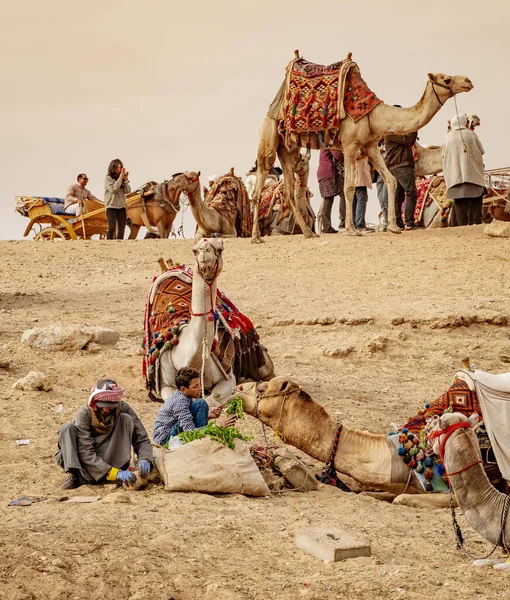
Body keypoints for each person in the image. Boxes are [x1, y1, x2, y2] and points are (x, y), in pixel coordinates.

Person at [55, 378, 153, 490]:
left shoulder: (123, 409)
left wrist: (145, 458)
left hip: (112, 456)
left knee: (126, 419)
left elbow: (142, 438)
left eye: (111, 406)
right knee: (67, 428)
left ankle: (112, 472)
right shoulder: (84, 414)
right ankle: (75, 476)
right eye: (103, 405)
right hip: (86, 462)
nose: (106, 409)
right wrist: (112, 472)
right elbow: (85, 451)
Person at [153, 367, 236, 446]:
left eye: (199, 385)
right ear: (183, 389)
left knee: (201, 404)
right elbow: (190, 431)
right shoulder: (180, 402)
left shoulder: (184, 396)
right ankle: (202, 442)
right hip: (165, 439)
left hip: (172, 429)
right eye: (195, 386)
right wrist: (218, 427)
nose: (200, 389)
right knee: (201, 403)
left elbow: (186, 419)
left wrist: (207, 416)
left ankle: (203, 440)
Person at [443, 114, 485, 226]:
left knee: (460, 205)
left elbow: (443, 155)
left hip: (455, 177)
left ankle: (461, 227)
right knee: (476, 201)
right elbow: (481, 150)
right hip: (473, 176)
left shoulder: (447, 137)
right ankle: (476, 224)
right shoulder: (471, 134)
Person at [384, 112, 418, 231]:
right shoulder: (392, 132)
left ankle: (399, 223)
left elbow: (409, 142)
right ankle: (409, 222)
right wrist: (415, 125)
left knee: (398, 196)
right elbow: (407, 140)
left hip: (396, 167)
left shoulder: (392, 132)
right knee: (411, 193)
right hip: (402, 166)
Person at [317, 149, 345, 233]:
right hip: (329, 172)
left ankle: (326, 227)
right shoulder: (330, 142)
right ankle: (344, 222)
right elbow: (338, 155)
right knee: (343, 194)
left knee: (328, 199)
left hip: (323, 173)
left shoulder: (323, 145)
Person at [104, 159, 131, 239]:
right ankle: (109, 243)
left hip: (121, 206)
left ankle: (120, 244)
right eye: (118, 168)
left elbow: (128, 191)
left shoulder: (121, 178)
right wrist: (120, 179)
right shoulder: (108, 178)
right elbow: (113, 189)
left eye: (121, 168)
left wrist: (125, 180)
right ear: (113, 168)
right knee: (112, 227)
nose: (120, 170)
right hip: (111, 206)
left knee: (122, 228)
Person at [353, 151, 374, 233]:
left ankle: (355, 223)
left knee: (355, 201)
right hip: (359, 176)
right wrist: (367, 151)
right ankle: (360, 225)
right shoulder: (355, 145)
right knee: (361, 200)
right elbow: (355, 154)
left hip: (356, 176)